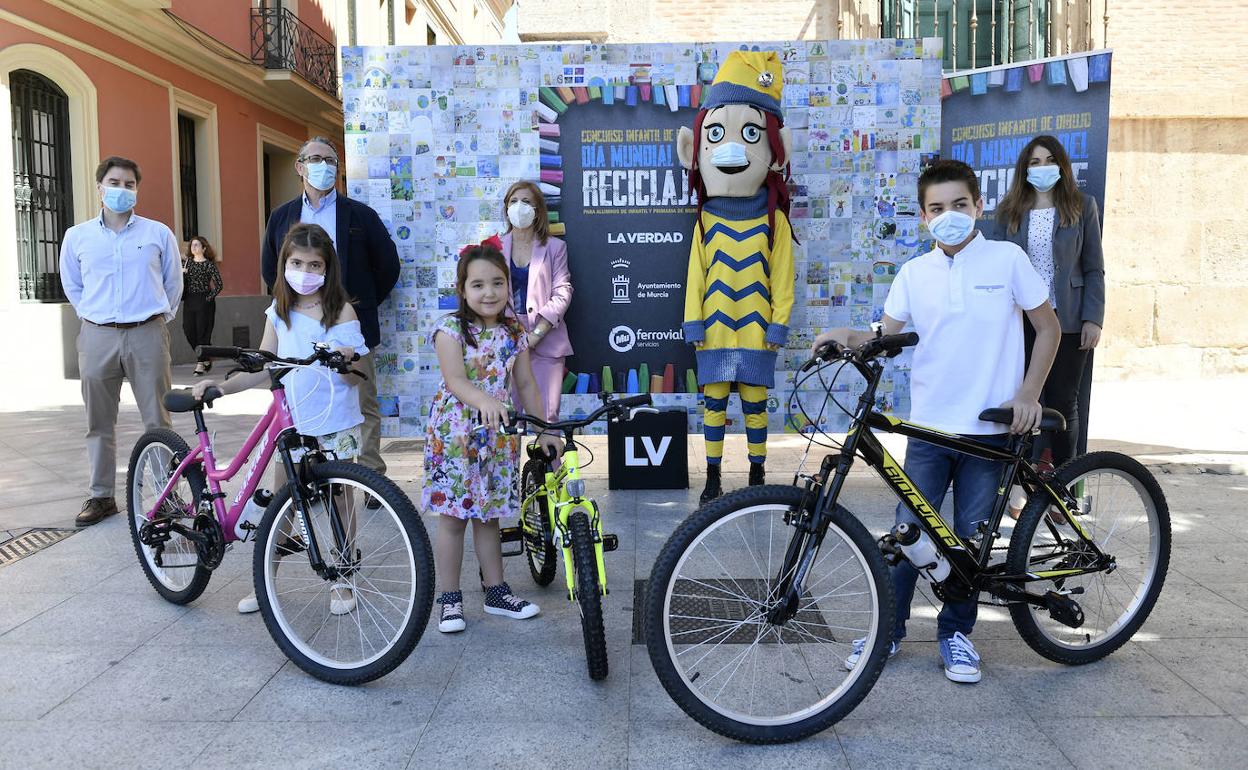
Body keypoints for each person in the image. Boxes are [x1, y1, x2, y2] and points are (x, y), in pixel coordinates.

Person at [813, 160, 1060, 684]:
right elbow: (884, 335)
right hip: (928, 431)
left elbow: (1049, 327)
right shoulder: (914, 274)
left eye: (959, 205)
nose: (949, 215)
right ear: (924, 216)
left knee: (969, 542)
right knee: (909, 534)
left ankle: (956, 634)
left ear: (978, 205)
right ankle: (890, 631)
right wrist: (843, 334)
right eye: (937, 208)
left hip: (990, 432)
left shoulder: (1006, 259)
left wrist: (1029, 394)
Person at [194, 223, 368, 615]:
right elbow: (264, 364)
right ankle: (264, 582)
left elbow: (356, 366)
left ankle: (343, 579)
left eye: (314, 264)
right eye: (296, 262)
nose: (305, 271)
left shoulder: (341, 310)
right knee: (280, 501)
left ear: (328, 268)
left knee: (342, 498)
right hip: (292, 422)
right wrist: (223, 387)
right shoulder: (280, 311)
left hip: (335, 419)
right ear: (284, 263)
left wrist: (345, 357)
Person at [423, 237, 562, 634]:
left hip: (497, 436)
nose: (489, 292)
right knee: (453, 518)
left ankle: (496, 590)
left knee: (490, 516)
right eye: (478, 284)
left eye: (498, 283)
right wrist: (483, 399)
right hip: (455, 436)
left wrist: (544, 429)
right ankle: (449, 599)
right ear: (463, 289)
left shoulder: (514, 331)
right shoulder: (450, 329)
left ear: (508, 286)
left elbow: (527, 385)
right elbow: (454, 380)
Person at [261, 136, 399, 502]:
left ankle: (369, 478)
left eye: (330, 159)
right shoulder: (282, 216)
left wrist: (358, 304)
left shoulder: (360, 214)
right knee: (300, 400)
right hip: (297, 325)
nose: (323, 165)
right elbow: (270, 267)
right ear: (299, 166)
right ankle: (310, 479)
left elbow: (387, 265)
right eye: (315, 158)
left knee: (362, 401)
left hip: (348, 325)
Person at [59, 156, 182, 527]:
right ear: (100, 187)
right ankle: (101, 496)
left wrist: (158, 318)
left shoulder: (157, 234)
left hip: (147, 332)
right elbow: (73, 284)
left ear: (136, 190)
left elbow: (174, 283)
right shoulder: (77, 236)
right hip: (97, 335)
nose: (122, 190)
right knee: (98, 421)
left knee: (158, 419)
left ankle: (165, 495)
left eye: (129, 184)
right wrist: (93, 317)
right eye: (114, 182)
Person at [988, 135, 1105, 471]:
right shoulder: (1009, 211)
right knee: (1022, 400)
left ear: (1062, 166)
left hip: (1067, 318)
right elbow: (996, 268)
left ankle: (1065, 482)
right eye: (1034, 162)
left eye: (1049, 160)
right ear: (1025, 169)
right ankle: (1017, 481)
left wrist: (1093, 318)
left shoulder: (1083, 206)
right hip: (1021, 320)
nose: (1042, 168)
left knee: (1064, 400)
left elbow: (1094, 267)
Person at [499, 180, 574, 421]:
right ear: (506, 208)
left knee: (546, 415)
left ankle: (548, 460)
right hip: (505, 342)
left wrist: (536, 335)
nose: (518, 207)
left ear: (538, 210)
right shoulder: (493, 247)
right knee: (509, 418)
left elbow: (563, 291)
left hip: (546, 341)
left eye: (526, 202)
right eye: (513, 201)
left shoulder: (555, 247)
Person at [181, 235, 224, 377]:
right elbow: (181, 282)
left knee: (202, 332)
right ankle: (206, 356)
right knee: (188, 330)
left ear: (204, 248)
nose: (194, 247)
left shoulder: (209, 265)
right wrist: (182, 274)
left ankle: (200, 363)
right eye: (192, 245)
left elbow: (219, 285)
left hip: (204, 300)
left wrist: (208, 298)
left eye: (197, 245)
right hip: (190, 300)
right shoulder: (187, 263)